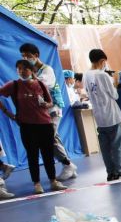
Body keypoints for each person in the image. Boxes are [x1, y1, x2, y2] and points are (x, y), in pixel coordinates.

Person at [0, 59, 66, 193]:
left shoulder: (40, 84)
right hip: (27, 126)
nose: (21, 71)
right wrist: (9, 113)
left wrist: (45, 105)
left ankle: (53, 181)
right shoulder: (14, 85)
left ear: (32, 70)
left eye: (24, 68)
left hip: (45, 124)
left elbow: (49, 102)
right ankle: (36, 184)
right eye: (18, 69)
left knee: (48, 154)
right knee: (32, 155)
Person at [19, 43, 78, 181]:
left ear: (36, 56)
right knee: (52, 139)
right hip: (42, 112)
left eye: (28, 56)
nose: (26, 58)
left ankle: (68, 164)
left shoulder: (47, 70)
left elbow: (40, 85)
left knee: (50, 139)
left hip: (53, 109)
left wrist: (28, 77)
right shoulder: (32, 73)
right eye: (23, 56)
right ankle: (68, 165)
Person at [83, 49, 121, 181]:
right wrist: (114, 81)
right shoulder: (103, 75)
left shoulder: (86, 75)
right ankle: (119, 172)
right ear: (102, 61)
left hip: (99, 116)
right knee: (117, 145)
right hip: (111, 114)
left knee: (106, 147)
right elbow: (114, 95)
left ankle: (110, 172)